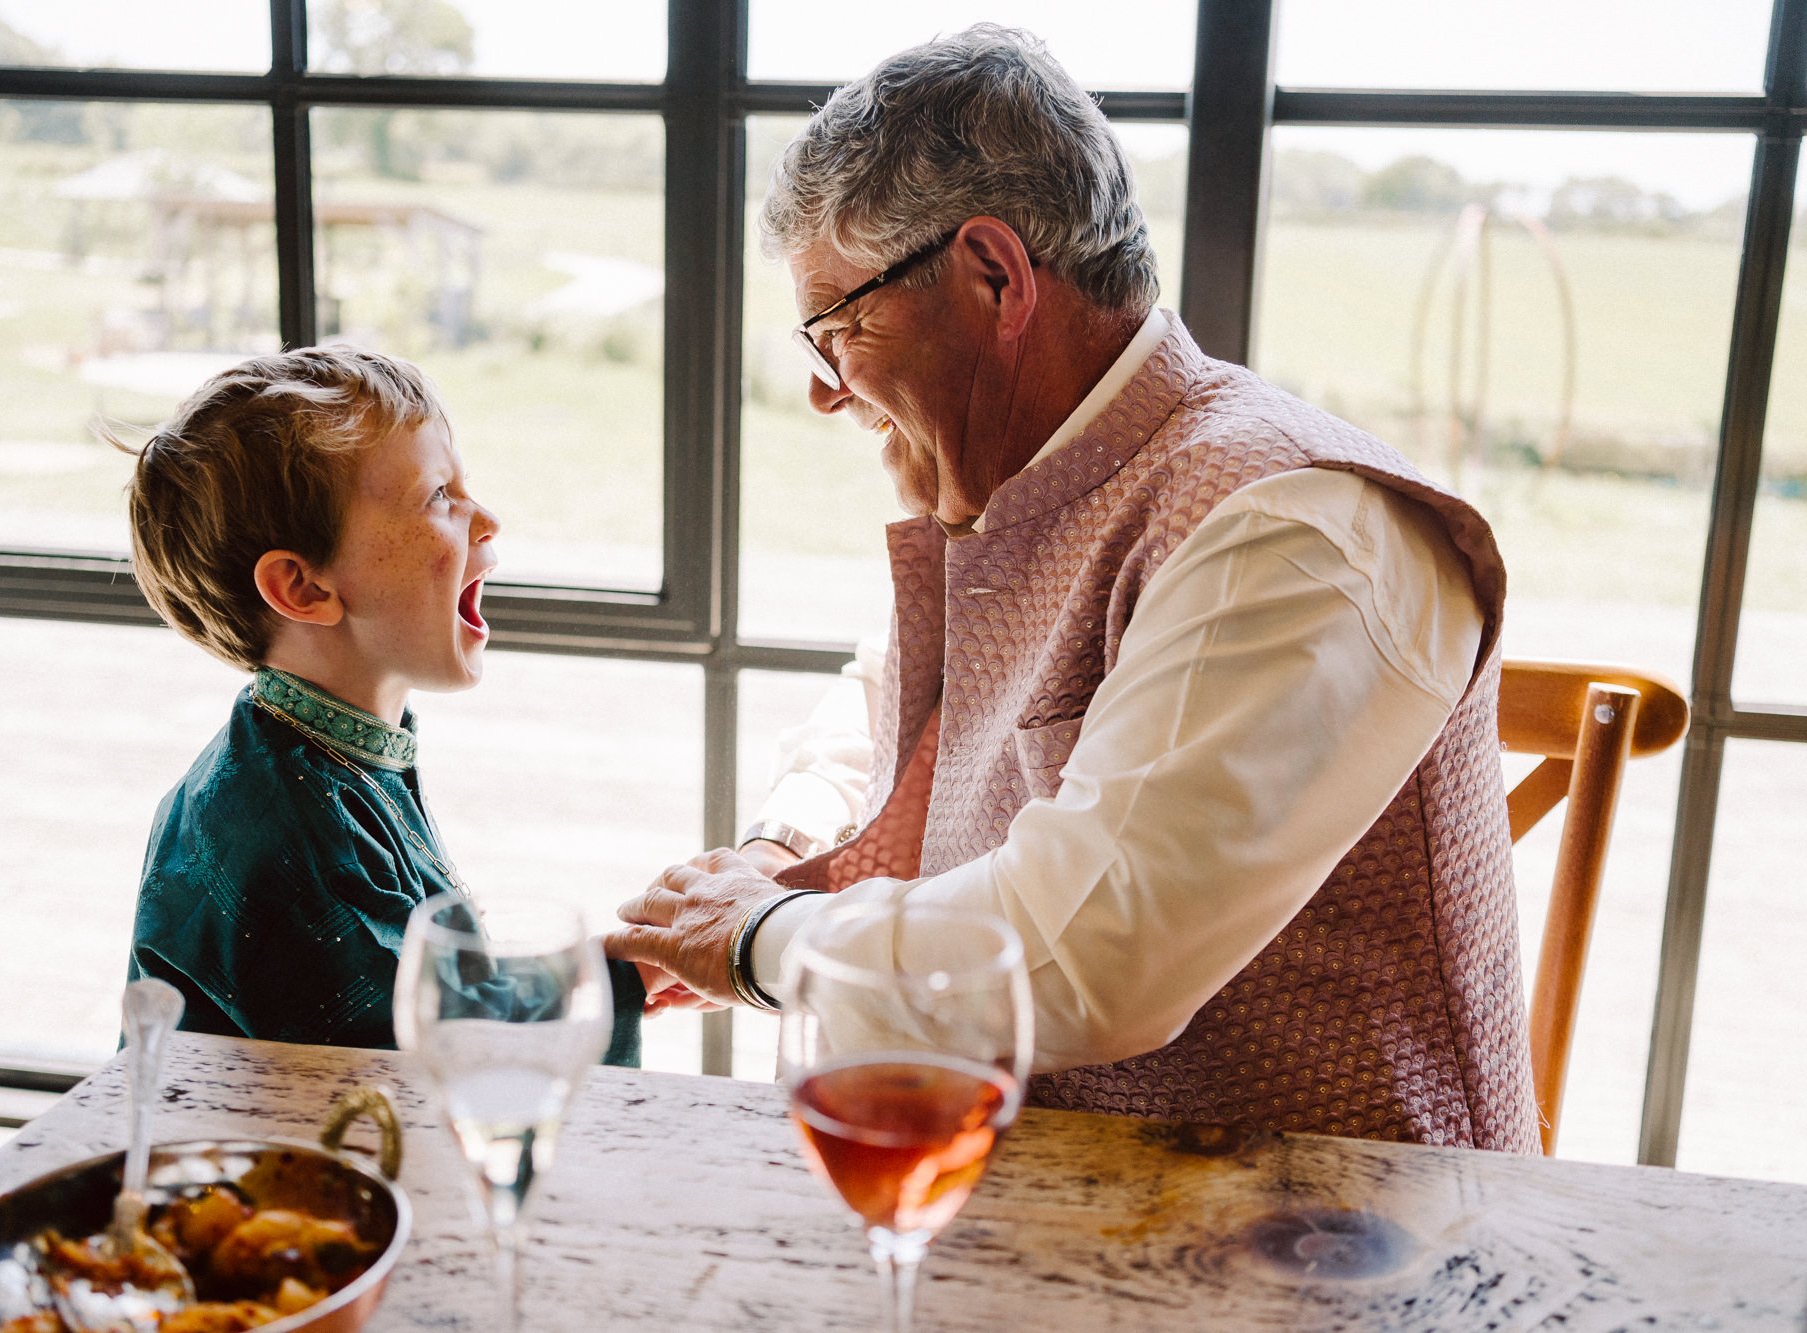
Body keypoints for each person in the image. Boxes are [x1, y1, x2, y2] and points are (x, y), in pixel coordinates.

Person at [611, 25, 1536, 1150]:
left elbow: (1092, 958)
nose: (823, 390)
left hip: (1331, 1247)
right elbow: (894, 700)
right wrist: (773, 850)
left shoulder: (1295, 532)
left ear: (994, 275)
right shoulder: (1027, 479)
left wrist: (765, 941)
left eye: (837, 327)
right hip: (1054, 1198)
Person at [122, 346, 642, 1062]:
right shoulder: (290, 833)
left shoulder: (334, 754)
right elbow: (430, 1067)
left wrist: (616, 967)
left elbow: (421, 977)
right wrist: (616, 982)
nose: (485, 518)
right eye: (437, 496)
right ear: (303, 588)